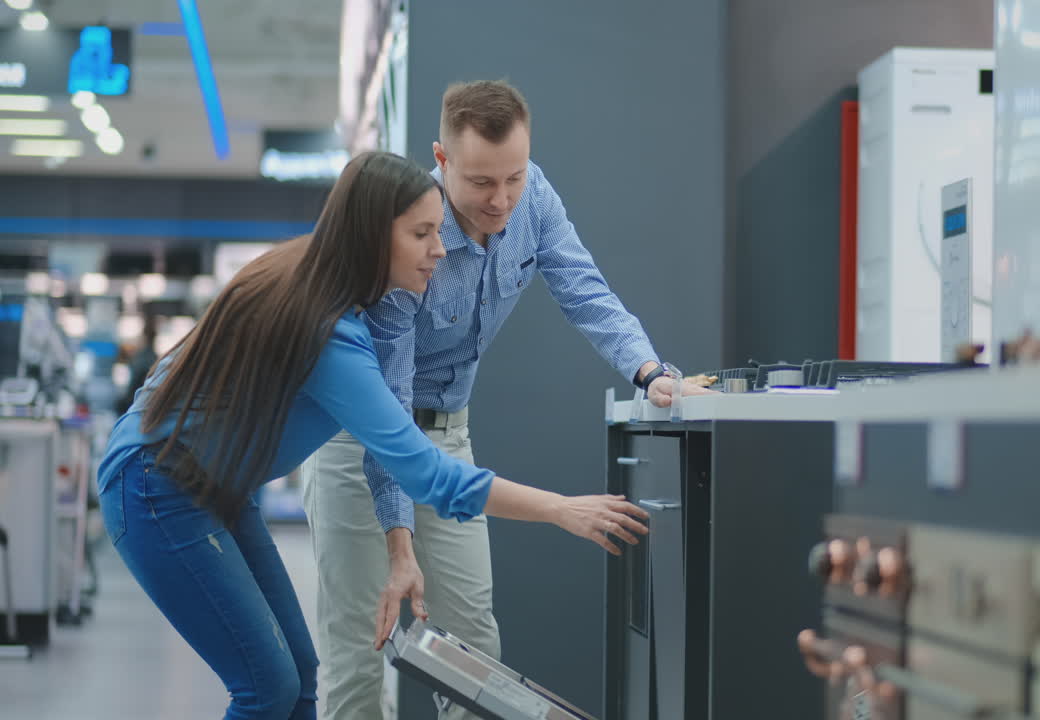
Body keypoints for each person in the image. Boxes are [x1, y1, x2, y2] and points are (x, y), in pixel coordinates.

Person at [97, 151, 649, 720]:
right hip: (156, 488)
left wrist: (400, 544)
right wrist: (559, 508)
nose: (440, 249)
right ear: (371, 236)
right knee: (266, 689)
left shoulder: (326, 290)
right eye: (422, 233)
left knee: (300, 680)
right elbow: (426, 472)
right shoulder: (330, 332)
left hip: (216, 486)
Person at [303, 80, 713, 720]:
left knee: (473, 652)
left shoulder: (532, 197)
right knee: (361, 649)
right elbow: (390, 406)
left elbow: (582, 284)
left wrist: (648, 370)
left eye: (513, 178)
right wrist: (400, 545)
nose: (500, 200)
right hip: (363, 438)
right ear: (441, 160)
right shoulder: (410, 239)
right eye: (480, 182)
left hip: (448, 433)